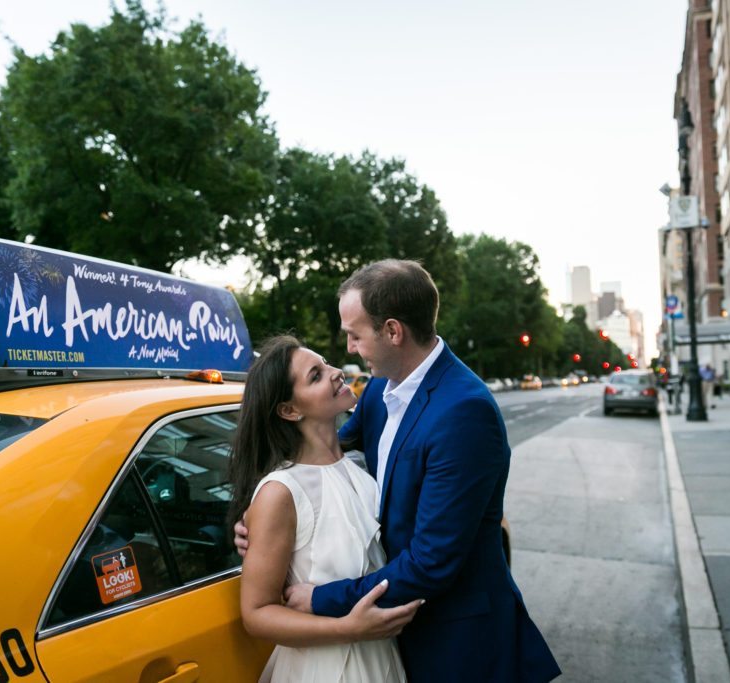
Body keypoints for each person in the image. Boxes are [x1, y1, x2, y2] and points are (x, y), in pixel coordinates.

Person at [238, 260, 560, 682]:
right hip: (384, 643)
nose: (349, 350)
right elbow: (317, 455)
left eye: (355, 335)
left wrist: (320, 599)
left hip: (454, 642)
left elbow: (431, 563)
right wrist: (255, 518)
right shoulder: (377, 391)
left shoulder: (464, 411)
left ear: (393, 331)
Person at [229, 335, 418, 682]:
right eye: (315, 376)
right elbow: (256, 614)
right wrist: (348, 629)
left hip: (383, 658)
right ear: (289, 410)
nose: (335, 373)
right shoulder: (281, 492)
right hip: (327, 667)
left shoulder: (360, 469)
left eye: (326, 364)